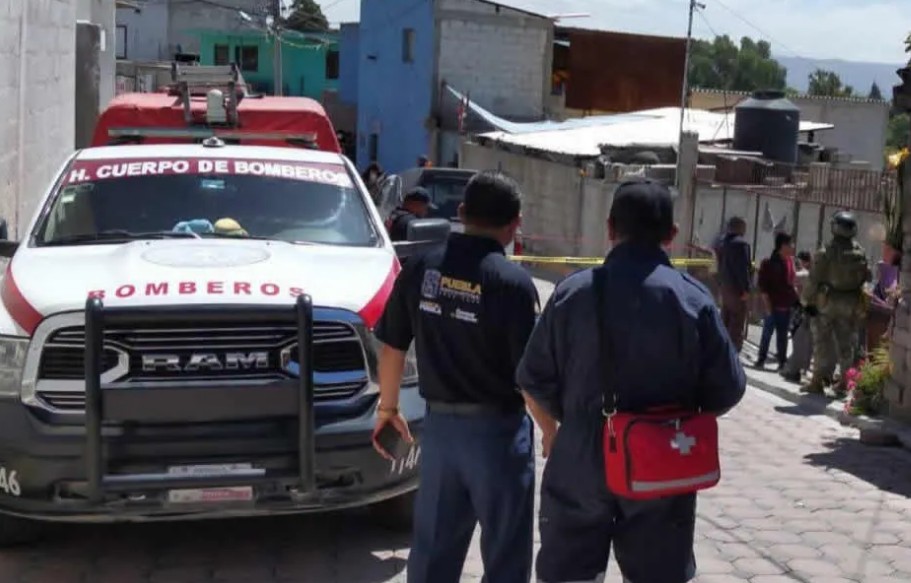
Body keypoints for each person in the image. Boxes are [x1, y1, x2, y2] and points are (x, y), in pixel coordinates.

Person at [517, 178, 746, 583]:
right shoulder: (694, 300)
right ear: (672, 235)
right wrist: (677, 418)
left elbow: (532, 378)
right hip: (662, 458)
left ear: (609, 228)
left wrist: (558, 428)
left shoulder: (572, 293)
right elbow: (728, 389)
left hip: (580, 454)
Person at [372, 170, 538, 583]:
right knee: (506, 552)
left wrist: (388, 409)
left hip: (440, 432)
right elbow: (530, 376)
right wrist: (551, 428)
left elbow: (392, 346)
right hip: (499, 436)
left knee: (433, 551)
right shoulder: (514, 284)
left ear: (461, 212)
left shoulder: (421, 267)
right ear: (515, 223)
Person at [801, 211, 871, 396]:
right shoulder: (860, 252)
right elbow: (866, 277)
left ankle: (817, 381)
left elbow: (813, 280)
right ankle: (844, 383)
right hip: (850, 303)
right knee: (846, 344)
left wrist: (806, 301)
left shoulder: (826, 252)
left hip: (827, 302)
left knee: (821, 342)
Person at [755, 232, 798, 370]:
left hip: (786, 306)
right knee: (767, 333)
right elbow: (763, 287)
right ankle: (761, 359)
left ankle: (782, 362)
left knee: (783, 336)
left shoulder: (790, 262)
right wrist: (767, 305)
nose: (793, 247)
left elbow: (792, 282)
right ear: (783, 246)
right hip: (772, 306)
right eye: (790, 244)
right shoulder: (769, 263)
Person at [717, 216, 753, 352]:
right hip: (737, 290)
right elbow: (742, 269)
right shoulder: (741, 245)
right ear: (740, 227)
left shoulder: (722, 243)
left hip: (725, 287)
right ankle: (733, 351)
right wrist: (746, 289)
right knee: (737, 322)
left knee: (725, 319)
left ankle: (722, 349)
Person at [781, 251, 814, 382]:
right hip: (810, 312)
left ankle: (794, 369)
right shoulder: (814, 276)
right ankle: (798, 369)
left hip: (802, 311)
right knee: (806, 342)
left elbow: (789, 280)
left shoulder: (805, 275)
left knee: (799, 339)